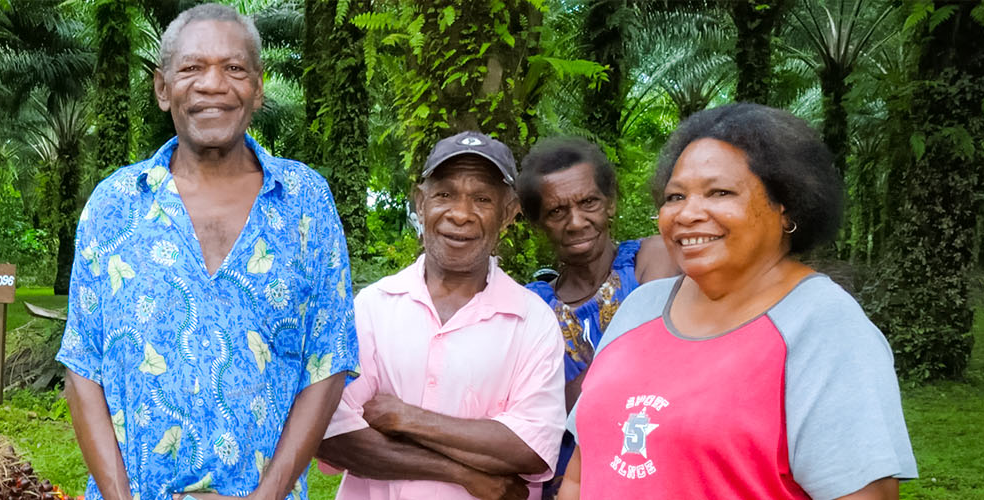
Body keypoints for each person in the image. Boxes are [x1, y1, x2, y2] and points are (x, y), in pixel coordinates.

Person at [55, 5, 357, 500]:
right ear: (162, 88)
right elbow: (83, 367)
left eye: (234, 68)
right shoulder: (114, 204)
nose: (213, 84)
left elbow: (327, 361)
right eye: (192, 68)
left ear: (258, 88)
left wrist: (269, 494)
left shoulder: (306, 202)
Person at [563, 104, 918, 499]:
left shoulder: (823, 326)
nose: (688, 213)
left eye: (719, 192)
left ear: (787, 208)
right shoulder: (640, 308)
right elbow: (582, 472)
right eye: (675, 196)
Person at [317, 131, 564, 500]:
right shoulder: (373, 306)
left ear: (508, 213)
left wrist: (404, 418)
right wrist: (465, 473)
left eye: (482, 199)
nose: (461, 214)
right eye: (445, 194)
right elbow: (332, 437)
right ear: (420, 202)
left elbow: (530, 448)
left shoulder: (532, 321)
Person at [512, 137, 679, 497]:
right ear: (538, 223)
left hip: (653, 474)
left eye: (589, 202)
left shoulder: (653, 257)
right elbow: (537, 414)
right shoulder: (530, 304)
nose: (575, 222)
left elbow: (664, 366)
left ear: (611, 203)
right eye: (556, 211)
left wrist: (570, 391)